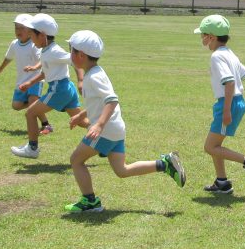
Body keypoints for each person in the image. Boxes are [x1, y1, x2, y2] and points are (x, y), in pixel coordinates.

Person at [62, 30, 186, 213]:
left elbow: (111, 100)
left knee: (76, 160)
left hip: (105, 130)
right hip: (115, 129)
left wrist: (99, 125)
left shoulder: (94, 77)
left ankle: (90, 202)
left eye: (71, 50)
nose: (69, 54)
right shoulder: (96, 72)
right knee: (122, 170)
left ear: (80, 55)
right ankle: (165, 164)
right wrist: (81, 116)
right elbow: (99, 101)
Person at [195, 14, 245, 195]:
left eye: (202, 35)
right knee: (216, 145)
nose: (201, 38)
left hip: (228, 103)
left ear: (211, 37)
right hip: (235, 102)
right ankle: (222, 182)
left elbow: (230, 83)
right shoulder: (229, 53)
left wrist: (226, 111)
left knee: (210, 147)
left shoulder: (217, 56)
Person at [10, 13, 83, 159]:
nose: (30, 38)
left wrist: (81, 80)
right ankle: (104, 132)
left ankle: (32, 149)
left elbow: (75, 60)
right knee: (82, 121)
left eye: (32, 34)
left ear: (42, 35)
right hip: (65, 88)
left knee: (30, 113)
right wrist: (30, 83)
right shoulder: (45, 50)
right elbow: (45, 72)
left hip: (59, 89)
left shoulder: (54, 51)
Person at [0, 13, 51, 135]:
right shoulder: (14, 44)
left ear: (30, 31)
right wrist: (0, 69)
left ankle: (46, 125)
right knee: (16, 105)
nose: (18, 31)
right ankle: (40, 103)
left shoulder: (34, 44)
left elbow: (42, 59)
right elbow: (8, 58)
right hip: (22, 81)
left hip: (35, 80)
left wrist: (34, 67)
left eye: (22, 28)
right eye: (16, 28)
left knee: (33, 102)